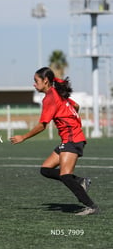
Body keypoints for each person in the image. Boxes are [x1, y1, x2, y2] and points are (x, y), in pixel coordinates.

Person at [10, 67, 99, 216]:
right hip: (70, 138)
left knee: (65, 176)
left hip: (72, 139)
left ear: (45, 81)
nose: (34, 84)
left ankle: (91, 206)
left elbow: (42, 125)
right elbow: (76, 106)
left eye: (36, 81)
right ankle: (81, 181)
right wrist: (70, 118)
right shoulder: (57, 94)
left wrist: (23, 137)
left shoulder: (50, 98)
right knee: (45, 169)